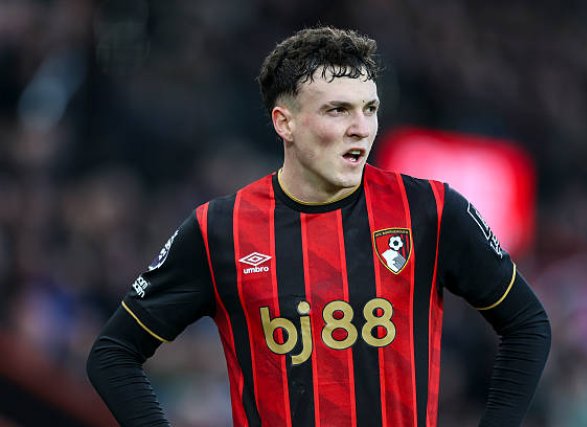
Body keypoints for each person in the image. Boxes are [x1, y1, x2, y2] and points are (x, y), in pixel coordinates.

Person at [87, 26, 551, 426]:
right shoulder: (219, 230)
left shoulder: (430, 209)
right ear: (284, 123)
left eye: (369, 108)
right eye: (338, 110)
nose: (361, 128)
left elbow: (528, 324)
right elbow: (112, 355)